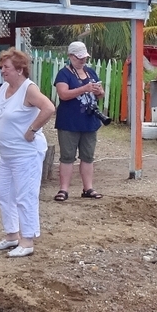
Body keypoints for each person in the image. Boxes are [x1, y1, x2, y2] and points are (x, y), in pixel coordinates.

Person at [0, 48, 54, 258]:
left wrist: (32, 130)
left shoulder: (28, 89)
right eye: (1, 67)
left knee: (25, 196)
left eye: (6, 67)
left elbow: (49, 108)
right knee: (4, 195)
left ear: (19, 69)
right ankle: (12, 235)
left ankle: (28, 241)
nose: (2, 71)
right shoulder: (4, 88)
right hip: (7, 154)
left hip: (26, 153)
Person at [53, 39, 105, 201]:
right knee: (67, 156)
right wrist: (84, 88)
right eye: (79, 58)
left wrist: (98, 91)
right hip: (69, 121)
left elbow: (100, 94)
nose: (82, 60)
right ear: (70, 56)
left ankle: (88, 188)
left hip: (89, 120)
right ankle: (64, 189)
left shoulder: (91, 72)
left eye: (84, 58)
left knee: (88, 155)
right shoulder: (64, 73)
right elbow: (63, 94)